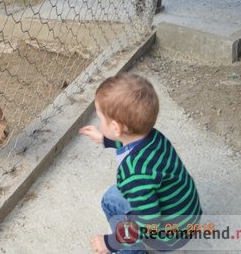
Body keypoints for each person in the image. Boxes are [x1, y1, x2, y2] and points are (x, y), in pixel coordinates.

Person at [79, 73, 202, 253]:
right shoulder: (154, 136)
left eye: (101, 119)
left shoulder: (135, 173)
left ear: (116, 128)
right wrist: (106, 140)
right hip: (189, 217)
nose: (100, 123)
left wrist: (110, 243)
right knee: (118, 196)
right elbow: (130, 140)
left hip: (169, 237)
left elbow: (148, 223)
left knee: (110, 199)